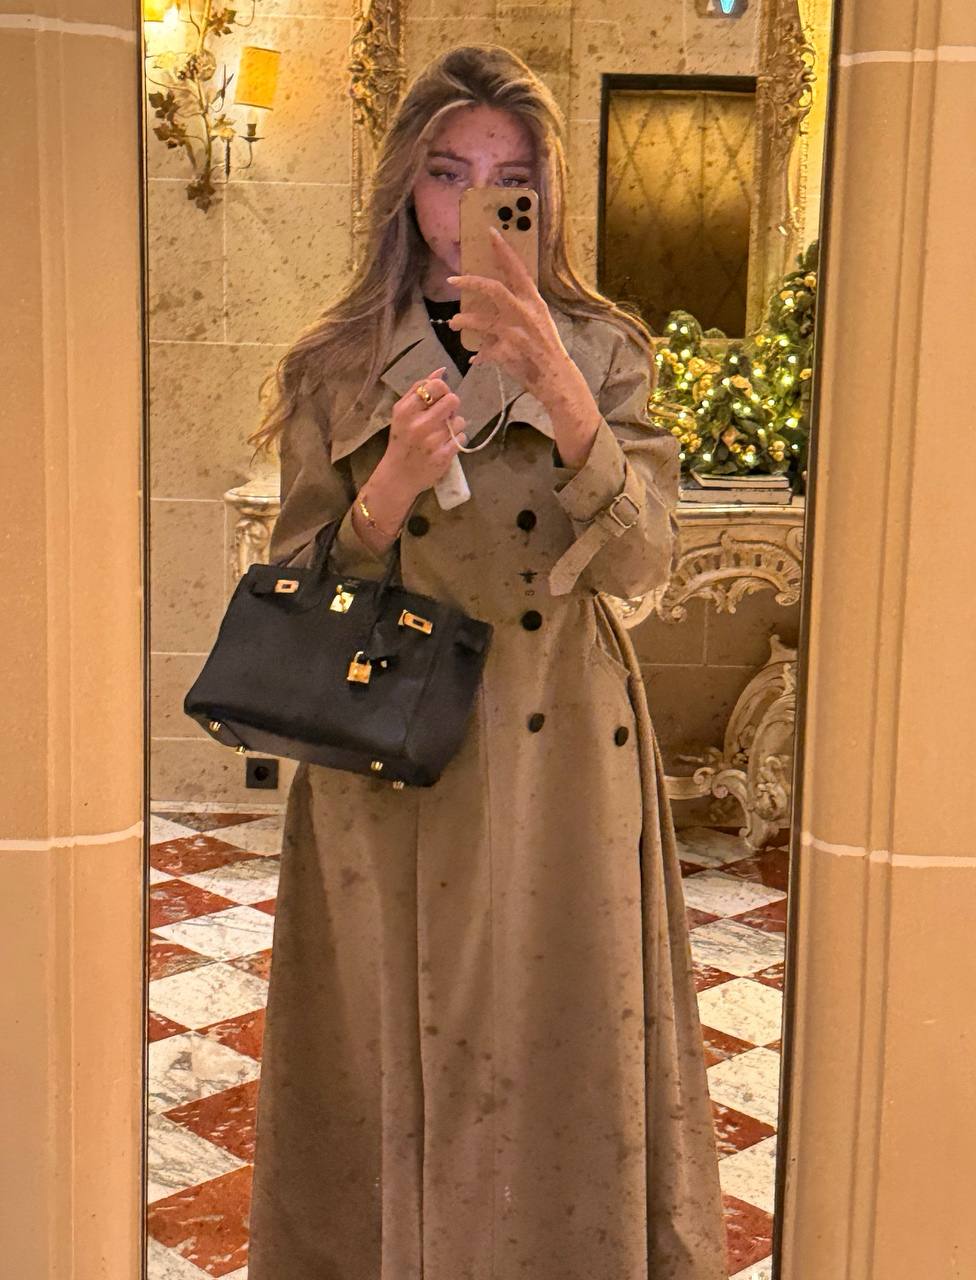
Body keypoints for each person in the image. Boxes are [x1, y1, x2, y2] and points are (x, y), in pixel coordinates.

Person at [246, 42, 727, 1280]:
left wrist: (563, 391)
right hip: (387, 749)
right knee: (388, 1049)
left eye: (510, 178)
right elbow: (292, 589)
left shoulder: (605, 350)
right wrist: (386, 491)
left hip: (559, 740)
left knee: (561, 1039)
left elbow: (643, 564)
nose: (476, 201)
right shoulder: (335, 360)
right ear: (406, 187)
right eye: (448, 171)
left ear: (547, 195)